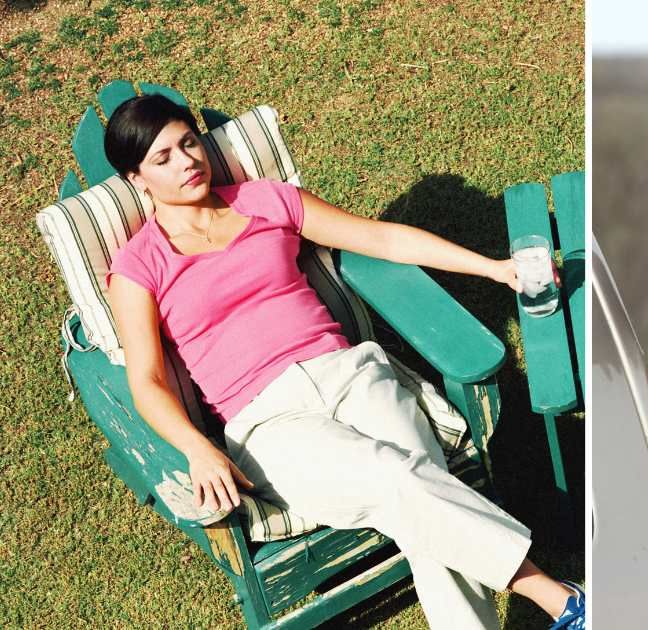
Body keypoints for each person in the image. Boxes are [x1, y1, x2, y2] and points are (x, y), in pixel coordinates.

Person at [102, 94, 584, 630]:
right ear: (137, 179)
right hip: (268, 419)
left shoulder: (265, 200)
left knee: (420, 495)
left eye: (189, 143)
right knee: (401, 478)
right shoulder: (138, 267)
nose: (187, 161)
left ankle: (569, 605)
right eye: (163, 158)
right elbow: (146, 380)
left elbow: (381, 238)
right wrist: (197, 447)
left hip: (350, 374)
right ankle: (559, 599)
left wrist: (493, 269)